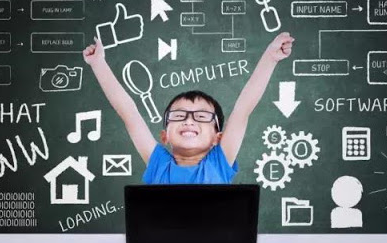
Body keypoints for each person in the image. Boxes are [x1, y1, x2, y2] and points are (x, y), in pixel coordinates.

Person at [83, 32, 295, 184]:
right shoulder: (158, 164)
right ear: (164, 135)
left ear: (217, 138)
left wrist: (270, 58)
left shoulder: (219, 162)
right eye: (178, 115)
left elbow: (243, 109)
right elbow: (128, 113)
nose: (189, 120)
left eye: (202, 116)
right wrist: (98, 63)